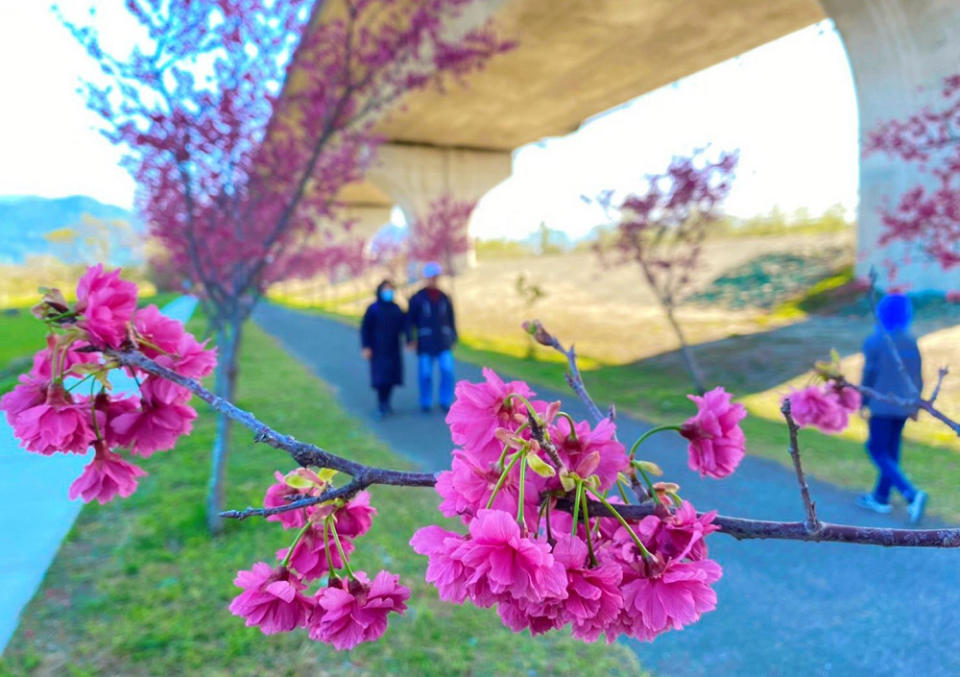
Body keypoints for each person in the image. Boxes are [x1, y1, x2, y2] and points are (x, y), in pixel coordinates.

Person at [857, 293, 927, 523]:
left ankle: (911, 494)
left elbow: (869, 375)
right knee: (891, 452)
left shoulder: (876, 341)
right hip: (903, 406)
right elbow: (916, 376)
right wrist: (915, 403)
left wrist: (862, 402)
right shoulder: (910, 340)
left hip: (881, 405)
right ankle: (880, 497)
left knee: (876, 449)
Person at [407, 261, 457, 413]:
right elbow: (410, 321)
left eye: (435, 277)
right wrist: (411, 339)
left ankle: (445, 400)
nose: (433, 280)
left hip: (443, 341)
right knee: (425, 373)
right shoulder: (417, 298)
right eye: (430, 277)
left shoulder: (444, 297)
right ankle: (425, 401)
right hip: (425, 343)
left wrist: (454, 337)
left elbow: (451, 319)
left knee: (447, 370)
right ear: (425, 278)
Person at [361, 279, 410, 419]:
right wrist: (366, 346)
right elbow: (366, 329)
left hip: (393, 348)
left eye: (391, 289)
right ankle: (381, 404)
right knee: (380, 378)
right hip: (377, 348)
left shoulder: (396, 308)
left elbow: (404, 325)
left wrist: (409, 339)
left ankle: (387, 403)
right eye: (386, 289)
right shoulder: (373, 309)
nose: (388, 292)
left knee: (391, 377)